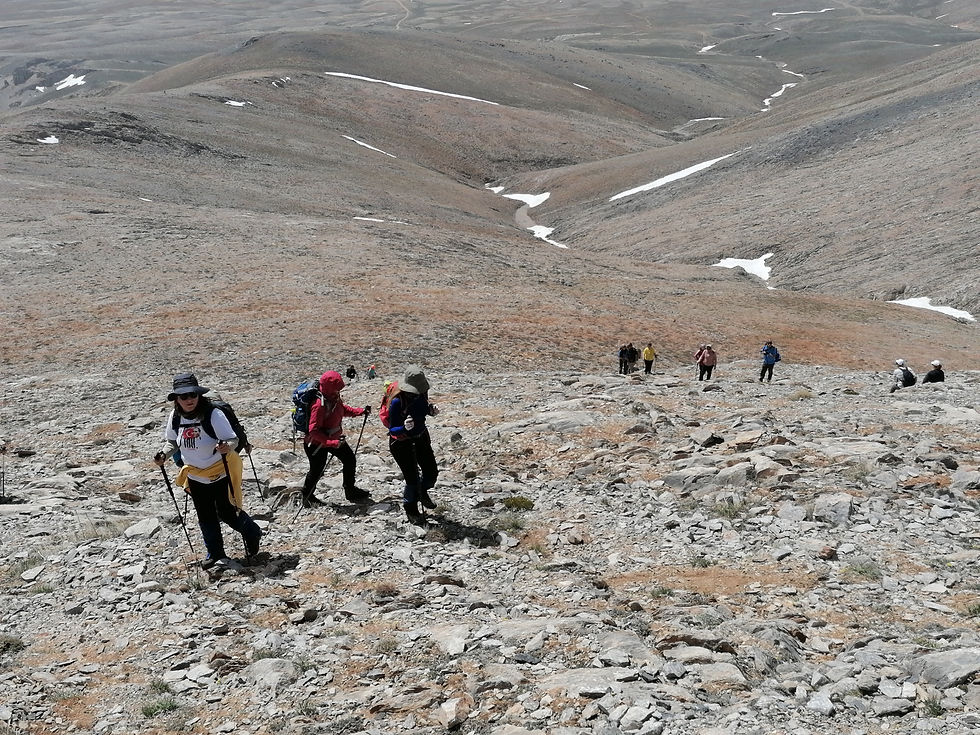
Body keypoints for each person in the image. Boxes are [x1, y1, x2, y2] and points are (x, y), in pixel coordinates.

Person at [154, 373, 262, 569]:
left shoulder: (213, 414)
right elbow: (172, 442)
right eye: (183, 396)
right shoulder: (175, 416)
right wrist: (164, 455)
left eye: (192, 395)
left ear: (198, 395)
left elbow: (232, 439)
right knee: (205, 515)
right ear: (176, 399)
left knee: (227, 512)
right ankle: (215, 553)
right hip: (195, 474)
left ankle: (252, 532)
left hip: (220, 470)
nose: (189, 400)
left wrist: (226, 447)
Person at [303, 371, 371, 506]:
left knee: (350, 460)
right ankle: (307, 496)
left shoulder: (332, 397)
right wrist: (332, 443)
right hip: (317, 444)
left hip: (334, 440)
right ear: (329, 388)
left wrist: (359, 412)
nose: (338, 391)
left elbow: (341, 409)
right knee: (317, 470)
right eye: (336, 389)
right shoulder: (319, 404)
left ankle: (350, 490)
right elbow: (314, 430)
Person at [387, 366, 440, 525]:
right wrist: (404, 428)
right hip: (401, 443)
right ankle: (410, 509)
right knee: (412, 478)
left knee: (431, 473)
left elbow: (422, 411)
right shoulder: (397, 402)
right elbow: (392, 429)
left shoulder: (422, 395)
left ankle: (421, 492)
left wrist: (430, 411)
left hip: (421, 437)